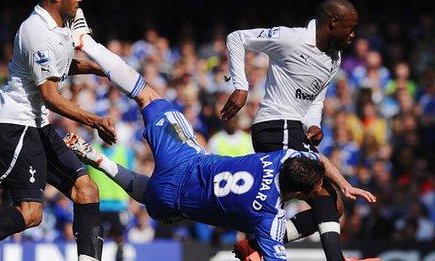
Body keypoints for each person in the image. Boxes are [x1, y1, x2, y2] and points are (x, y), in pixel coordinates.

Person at [62, 13, 376, 260]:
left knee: (145, 93)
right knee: (149, 194)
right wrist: (343, 185)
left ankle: (85, 42)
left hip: (184, 158)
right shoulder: (269, 218)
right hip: (173, 200)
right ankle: (101, 162)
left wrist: (342, 183)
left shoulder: (278, 158)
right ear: (295, 195)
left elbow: (311, 157)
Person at [0, 2, 117, 261]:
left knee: (86, 190)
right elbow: (50, 97)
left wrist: (104, 70)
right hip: (16, 125)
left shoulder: (61, 24)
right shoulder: (35, 30)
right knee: (30, 213)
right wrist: (95, 120)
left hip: (38, 125)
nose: (80, 0)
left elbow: (63, 63)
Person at [221, 0, 359, 259]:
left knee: (334, 205)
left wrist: (314, 123)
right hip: (276, 125)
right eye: (351, 28)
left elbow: (315, 98)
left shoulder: (334, 57)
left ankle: (256, 244)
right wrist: (241, 86)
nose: (353, 35)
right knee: (321, 193)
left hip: (294, 127)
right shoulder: (290, 38)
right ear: (333, 23)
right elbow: (237, 38)